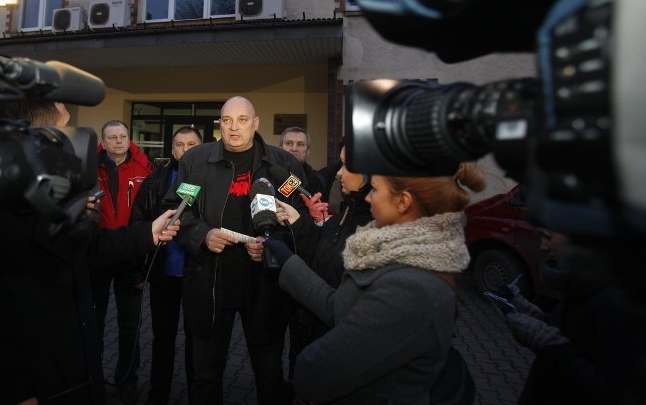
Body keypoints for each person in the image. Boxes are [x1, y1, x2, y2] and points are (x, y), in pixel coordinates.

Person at [0, 98, 181, 405]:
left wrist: (147, 233)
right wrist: (12, 388)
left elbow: (85, 249)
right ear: (28, 140)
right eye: (62, 134)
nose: (71, 148)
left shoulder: (47, 194)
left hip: (72, 375)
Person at [265, 162, 486, 404]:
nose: (368, 197)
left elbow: (316, 370)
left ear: (403, 202)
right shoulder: (393, 251)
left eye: (376, 189)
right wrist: (290, 260)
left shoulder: (410, 286)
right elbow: (339, 305)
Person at [167, 95, 309, 405]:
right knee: (204, 377)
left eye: (242, 120)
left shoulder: (283, 165)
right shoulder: (195, 161)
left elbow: (302, 218)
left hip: (264, 286)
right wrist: (202, 235)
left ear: (255, 123)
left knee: (270, 376)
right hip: (210, 285)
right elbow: (178, 212)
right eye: (227, 121)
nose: (234, 128)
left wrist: (274, 246)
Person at [502, 226, 646, 405]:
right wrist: (540, 319)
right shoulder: (583, 284)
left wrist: (551, 346)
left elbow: (616, 392)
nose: (542, 245)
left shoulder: (616, 300)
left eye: (548, 235)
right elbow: (577, 336)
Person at [278, 143, 374, 377]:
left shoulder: (376, 230)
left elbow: (339, 298)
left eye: (346, 165)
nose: (338, 172)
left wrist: (286, 261)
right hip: (309, 339)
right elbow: (320, 259)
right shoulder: (340, 218)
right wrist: (302, 223)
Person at [130, 126, 203, 405]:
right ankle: (158, 394)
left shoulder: (210, 178)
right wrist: (137, 270)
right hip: (163, 275)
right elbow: (138, 222)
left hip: (198, 274)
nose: (186, 150)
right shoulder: (155, 181)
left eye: (192, 144)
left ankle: (198, 395)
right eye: (180, 145)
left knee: (196, 342)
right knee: (163, 340)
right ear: (172, 150)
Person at [92, 120, 154, 405]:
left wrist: (145, 261)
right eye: (112, 137)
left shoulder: (145, 170)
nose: (118, 141)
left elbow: (151, 216)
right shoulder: (88, 169)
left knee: (130, 325)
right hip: (98, 254)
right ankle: (91, 379)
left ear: (130, 139)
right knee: (92, 324)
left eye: (123, 136)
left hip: (131, 257)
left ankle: (127, 379)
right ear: (102, 142)